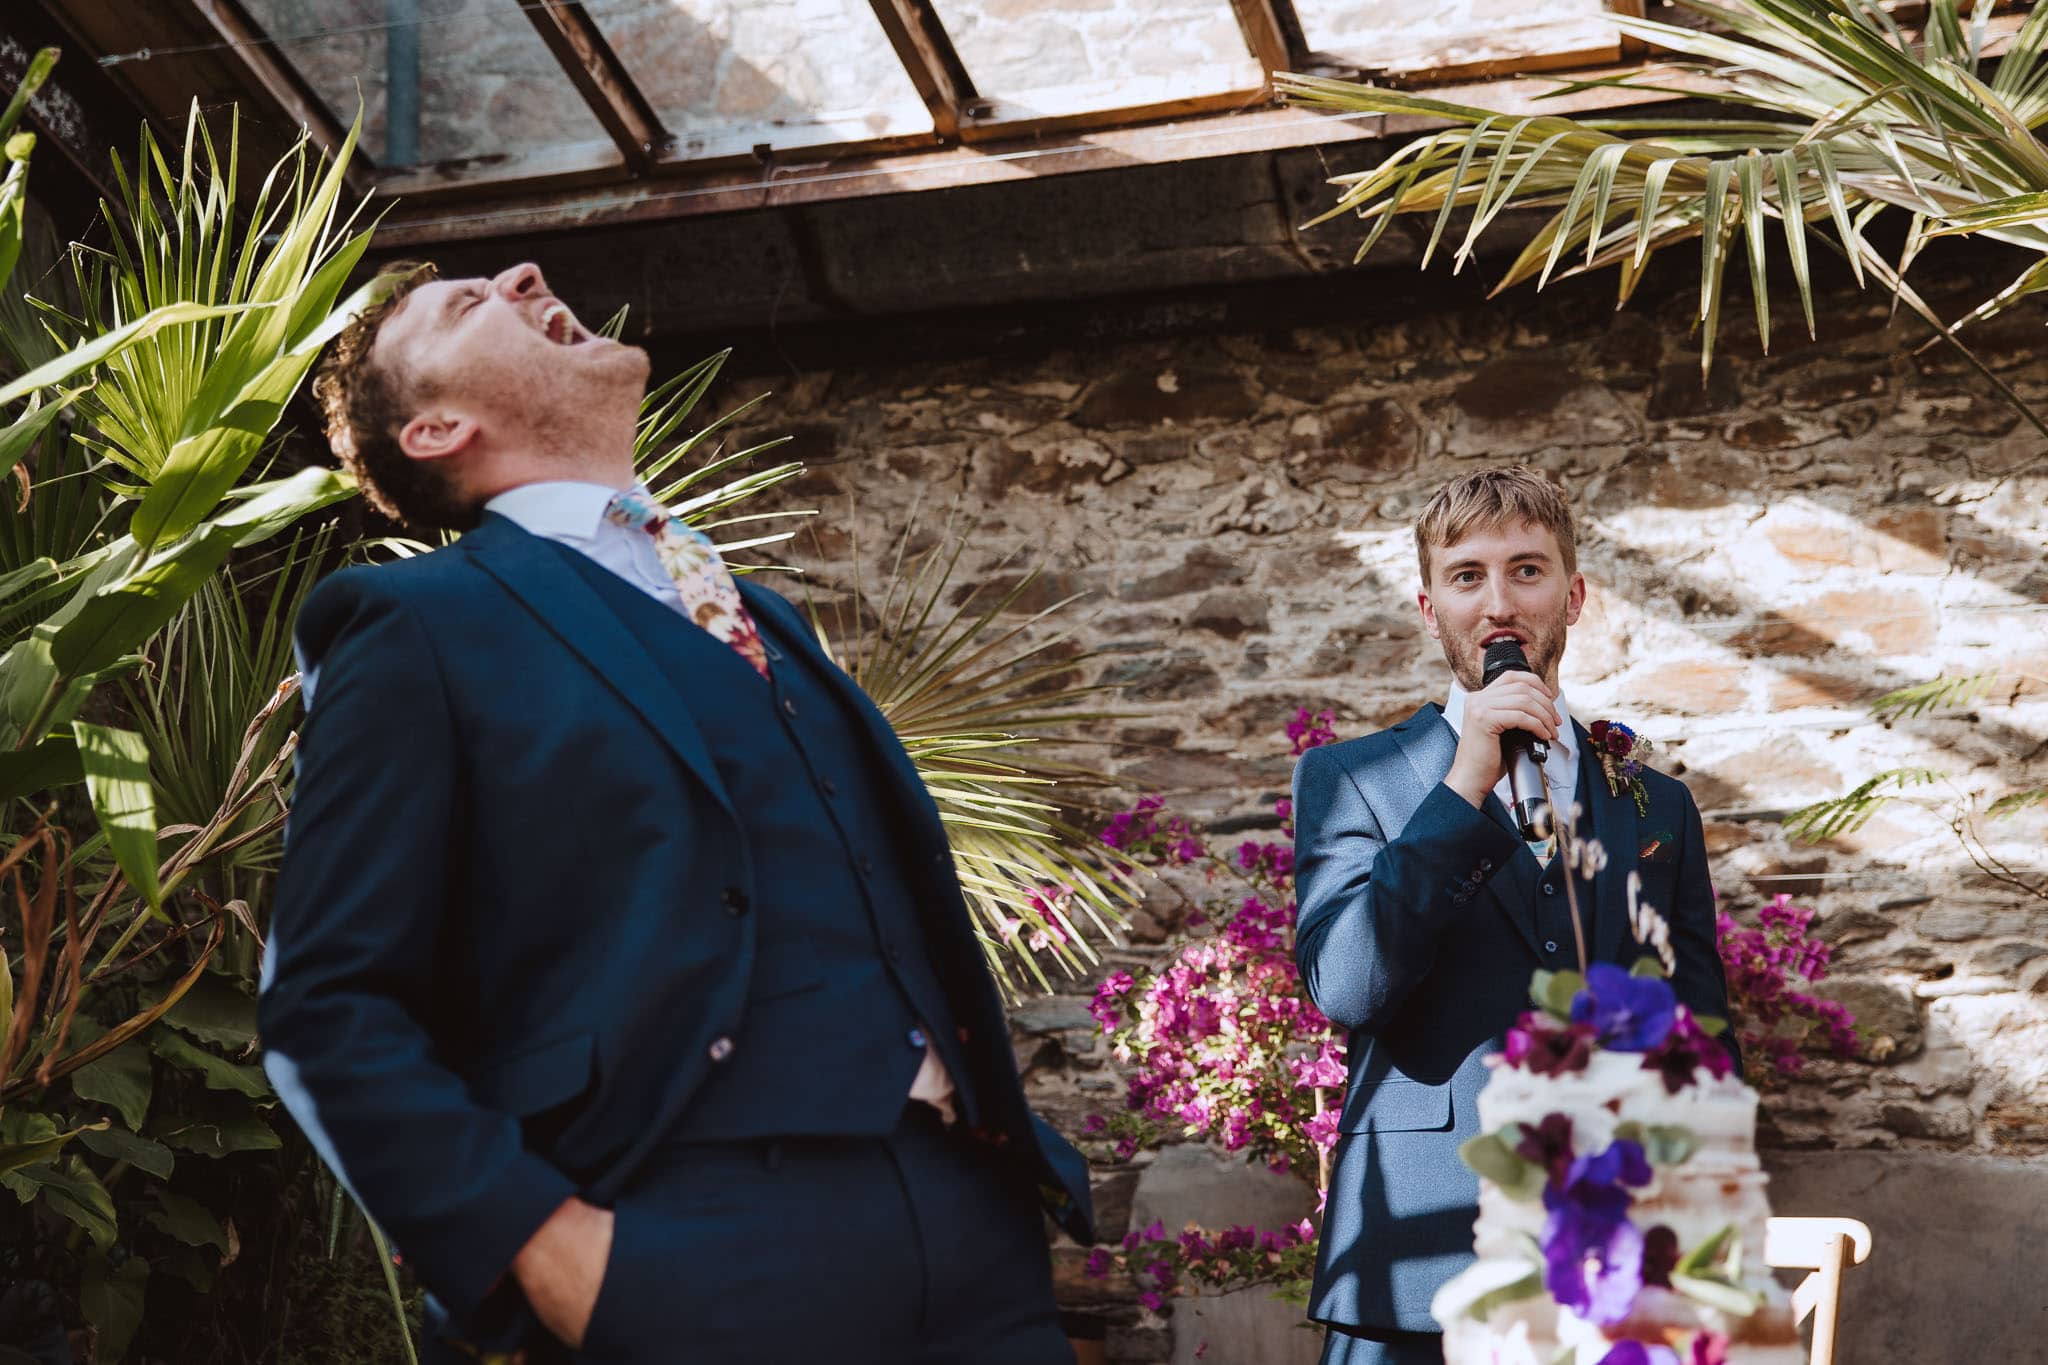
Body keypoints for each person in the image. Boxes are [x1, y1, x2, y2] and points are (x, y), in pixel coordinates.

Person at [257, 261, 1092, 1365]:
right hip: (688, 1242)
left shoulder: (762, 617)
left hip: (968, 1234)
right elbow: (327, 1004)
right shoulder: (415, 626)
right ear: (436, 428)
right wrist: (543, 1250)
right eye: (466, 306)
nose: (521, 276)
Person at [1290, 466, 1736, 1365]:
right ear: (1428, 607)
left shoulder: (1657, 806)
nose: (1498, 602)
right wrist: (1466, 785)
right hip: (1415, 1260)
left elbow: (1700, 1036)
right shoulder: (1351, 781)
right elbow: (1346, 983)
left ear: (1572, 596)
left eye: (1526, 571)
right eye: (1467, 576)